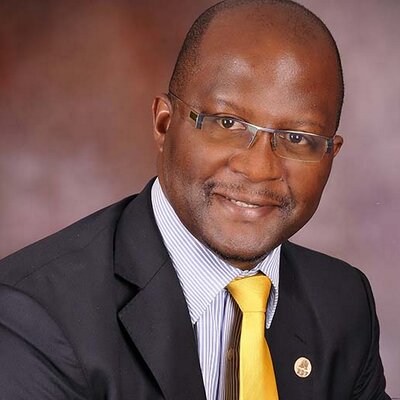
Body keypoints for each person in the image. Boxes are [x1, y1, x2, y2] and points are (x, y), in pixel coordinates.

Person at [0, 0, 391, 399]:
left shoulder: (343, 303)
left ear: (330, 154)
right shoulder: (35, 317)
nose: (259, 168)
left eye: (297, 138)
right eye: (227, 122)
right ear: (164, 124)